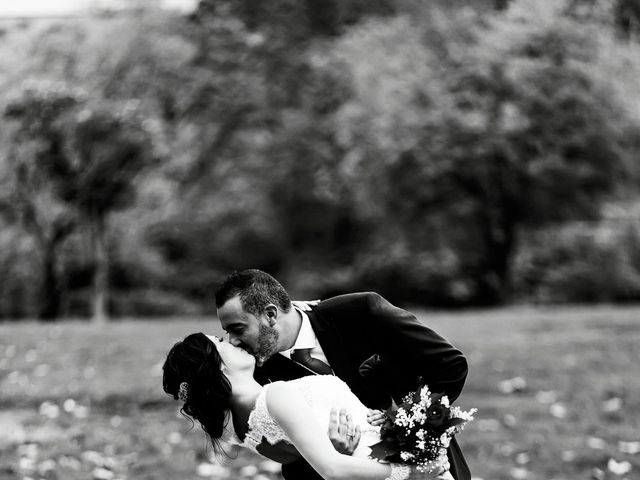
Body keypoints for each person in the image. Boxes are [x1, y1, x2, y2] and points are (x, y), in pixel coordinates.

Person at [214, 269, 470, 480]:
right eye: (228, 332)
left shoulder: (362, 312)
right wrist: (331, 453)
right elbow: (290, 456)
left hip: (428, 465)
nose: (234, 342)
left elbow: (449, 365)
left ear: (270, 314)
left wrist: (402, 421)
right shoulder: (256, 377)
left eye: (238, 329)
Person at [163, 332, 453, 480]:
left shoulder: (242, 430)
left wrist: (377, 420)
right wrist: (411, 473)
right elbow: (330, 468)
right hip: (393, 472)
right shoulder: (276, 395)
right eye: (221, 341)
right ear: (215, 366)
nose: (234, 340)